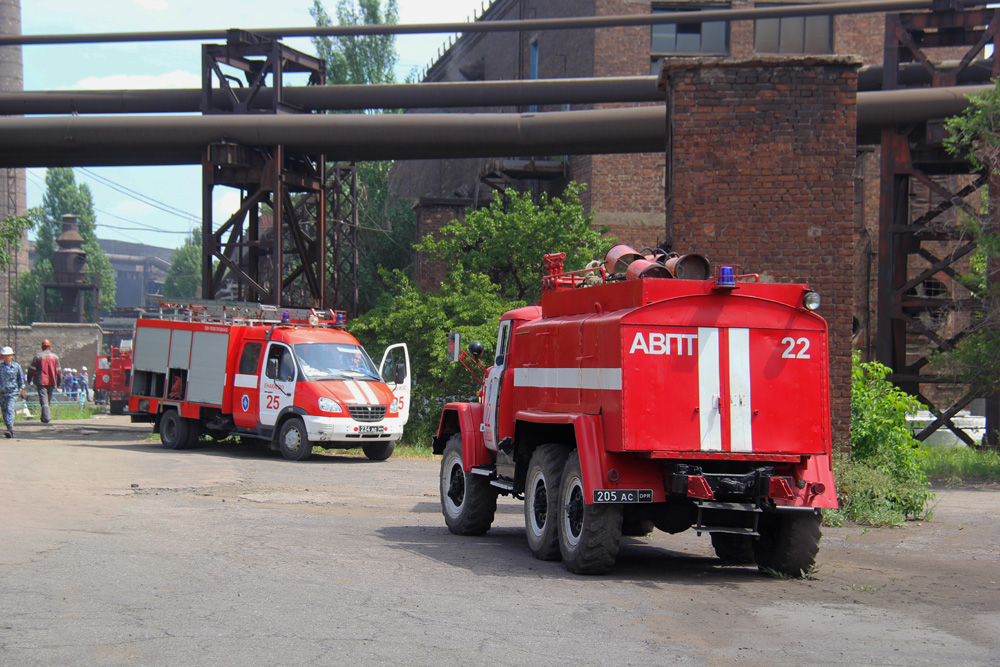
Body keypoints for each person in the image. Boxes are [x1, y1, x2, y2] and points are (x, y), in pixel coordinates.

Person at [26, 339, 61, 424]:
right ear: (50, 346)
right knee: (47, 399)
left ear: (42, 347)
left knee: (43, 399)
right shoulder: (55, 357)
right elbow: (58, 371)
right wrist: (59, 382)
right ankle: (44, 417)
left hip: (41, 381)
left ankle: (46, 417)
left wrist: (29, 378)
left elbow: (32, 369)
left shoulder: (38, 356)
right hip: (52, 380)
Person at [0, 346, 26, 438]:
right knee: (4, 411)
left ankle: (10, 429)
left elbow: (20, 379)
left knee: (9, 408)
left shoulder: (16, 366)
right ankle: (8, 427)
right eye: (5, 355)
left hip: (12, 392)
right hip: (2, 393)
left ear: (12, 356)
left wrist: (22, 389)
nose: (7, 357)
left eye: (8, 355)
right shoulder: (0, 367)